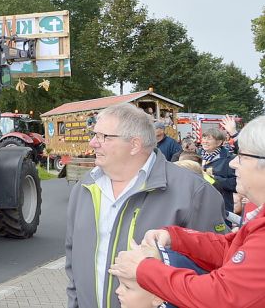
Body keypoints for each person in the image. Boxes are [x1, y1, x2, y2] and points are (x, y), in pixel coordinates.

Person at [65, 103, 226, 308]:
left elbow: (215, 276)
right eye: (94, 134)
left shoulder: (194, 193)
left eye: (103, 137)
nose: (92, 142)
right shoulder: (85, 187)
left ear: (134, 145)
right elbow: (73, 262)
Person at [109, 115, 265, 307]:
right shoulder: (257, 213)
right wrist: (176, 238)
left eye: (242, 156)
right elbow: (230, 248)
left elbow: (221, 296)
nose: (233, 163)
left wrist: (144, 270)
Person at [200, 127, 238, 214]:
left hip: (221, 206)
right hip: (201, 204)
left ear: (219, 142)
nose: (205, 141)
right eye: (204, 138)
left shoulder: (229, 159)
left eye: (209, 139)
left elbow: (234, 184)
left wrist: (212, 178)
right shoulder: (196, 157)